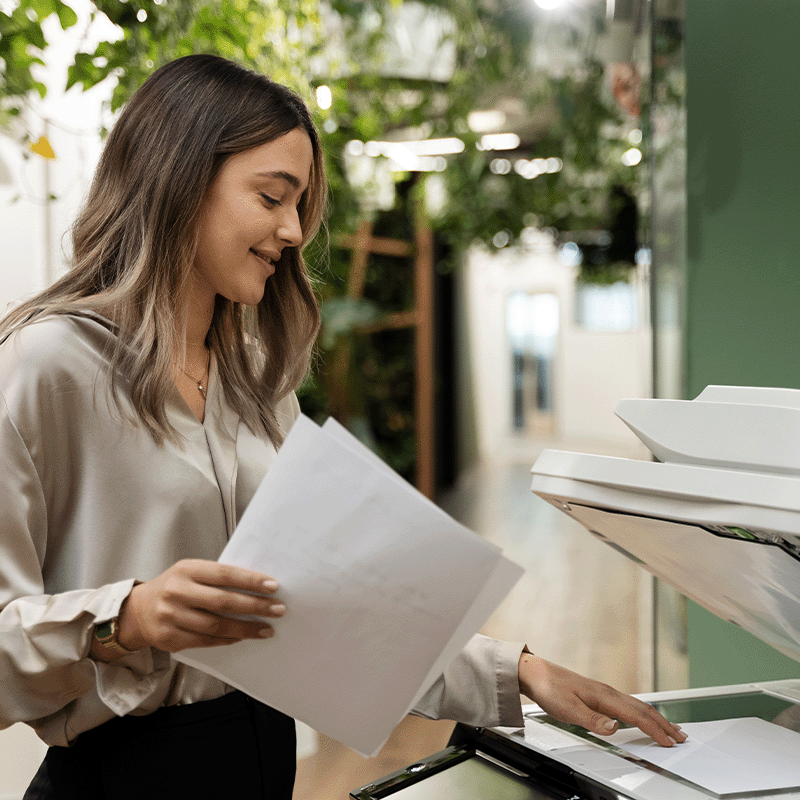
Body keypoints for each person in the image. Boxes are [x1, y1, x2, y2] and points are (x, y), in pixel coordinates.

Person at [0, 54, 685, 800]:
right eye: (272, 196)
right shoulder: (46, 365)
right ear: (178, 179)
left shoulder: (253, 382)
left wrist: (522, 673)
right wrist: (123, 618)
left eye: (301, 206)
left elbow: (337, 613)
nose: (294, 231)